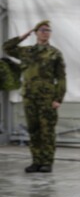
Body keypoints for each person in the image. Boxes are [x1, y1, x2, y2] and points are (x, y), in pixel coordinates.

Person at [3, 20, 66, 173]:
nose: (46, 32)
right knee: (33, 129)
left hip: (47, 97)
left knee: (47, 130)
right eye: (42, 30)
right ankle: (36, 161)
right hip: (29, 96)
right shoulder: (26, 51)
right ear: (36, 33)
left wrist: (58, 98)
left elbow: (61, 78)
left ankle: (47, 162)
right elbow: (6, 47)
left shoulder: (55, 53)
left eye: (48, 30)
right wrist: (24, 35)